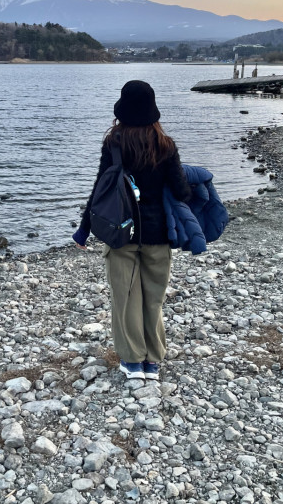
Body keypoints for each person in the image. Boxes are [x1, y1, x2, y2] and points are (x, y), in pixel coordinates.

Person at [72, 80, 192, 381]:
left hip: (120, 235)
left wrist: (83, 230)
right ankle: (153, 362)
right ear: (153, 110)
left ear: (122, 109)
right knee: (153, 298)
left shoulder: (113, 144)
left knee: (125, 299)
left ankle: (133, 362)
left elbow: (101, 189)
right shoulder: (166, 146)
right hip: (158, 236)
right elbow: (181, 192)